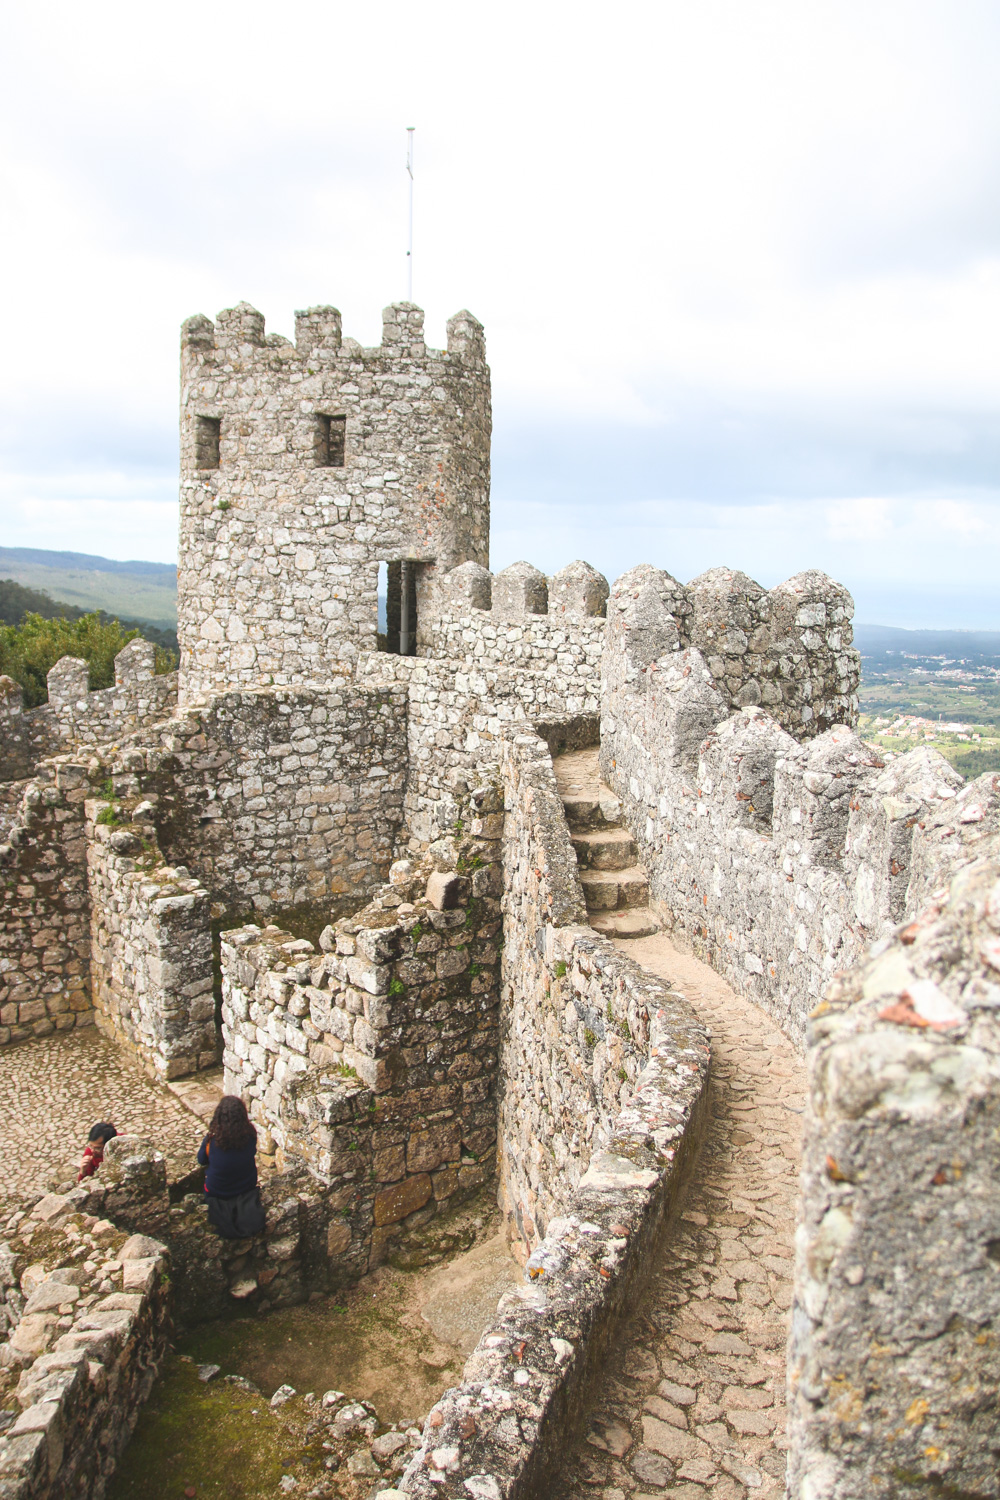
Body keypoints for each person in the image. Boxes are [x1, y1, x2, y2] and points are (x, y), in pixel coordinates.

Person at [197, 1095, 266, 1239]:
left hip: (217, 1192)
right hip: (246, 1188)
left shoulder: (212, 1141)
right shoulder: (251, 1136)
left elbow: (201, 1159)